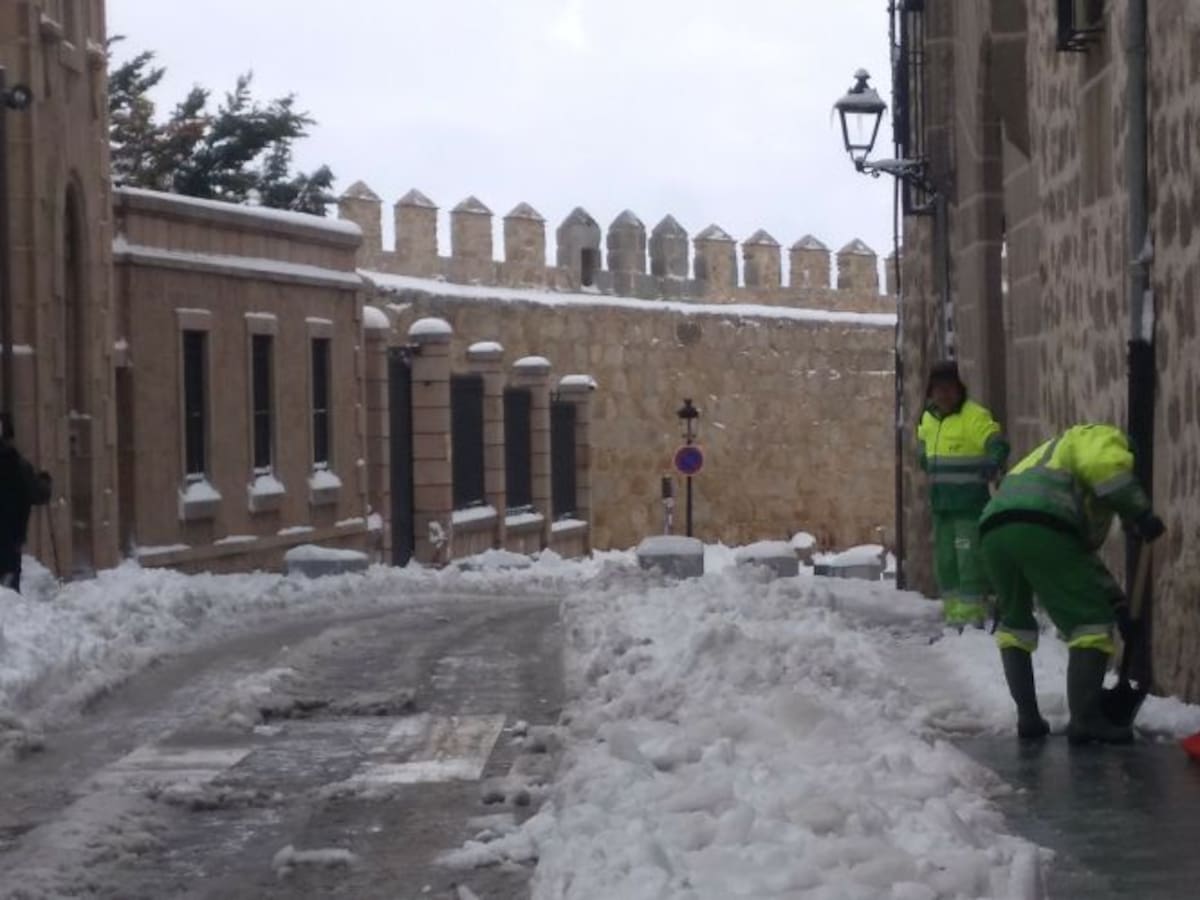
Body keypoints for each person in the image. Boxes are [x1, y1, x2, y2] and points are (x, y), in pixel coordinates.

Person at [978, 424, 1165, 744]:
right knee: (1090, 625)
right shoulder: (1102, 437)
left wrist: (1118, 603)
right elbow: (1108, 471)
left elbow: (1076, 559)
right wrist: (1140, 511)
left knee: (1016, 627)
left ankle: (1029, 718)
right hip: (1042, 528)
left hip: (995, 531)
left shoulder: (1047, 461)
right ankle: (1086, 719)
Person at [916, 360, 1010, 628]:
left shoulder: (973, 416)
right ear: (930, 393)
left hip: (969, 505)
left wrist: (994, 461)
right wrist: (922, 455)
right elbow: (923, 440)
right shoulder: (928, 417)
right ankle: (954, 616)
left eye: (949, 388)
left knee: (969, 561)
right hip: (942, 505)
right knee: (946, 563)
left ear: (959, 389)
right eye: (938, 389)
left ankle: (972, 619)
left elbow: (996, 442)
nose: (944, 395)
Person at [0, 413, 52, 593]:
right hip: (10, 541)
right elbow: (39, 495)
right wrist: (45, 482)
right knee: (8, 592)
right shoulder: (18, 466)